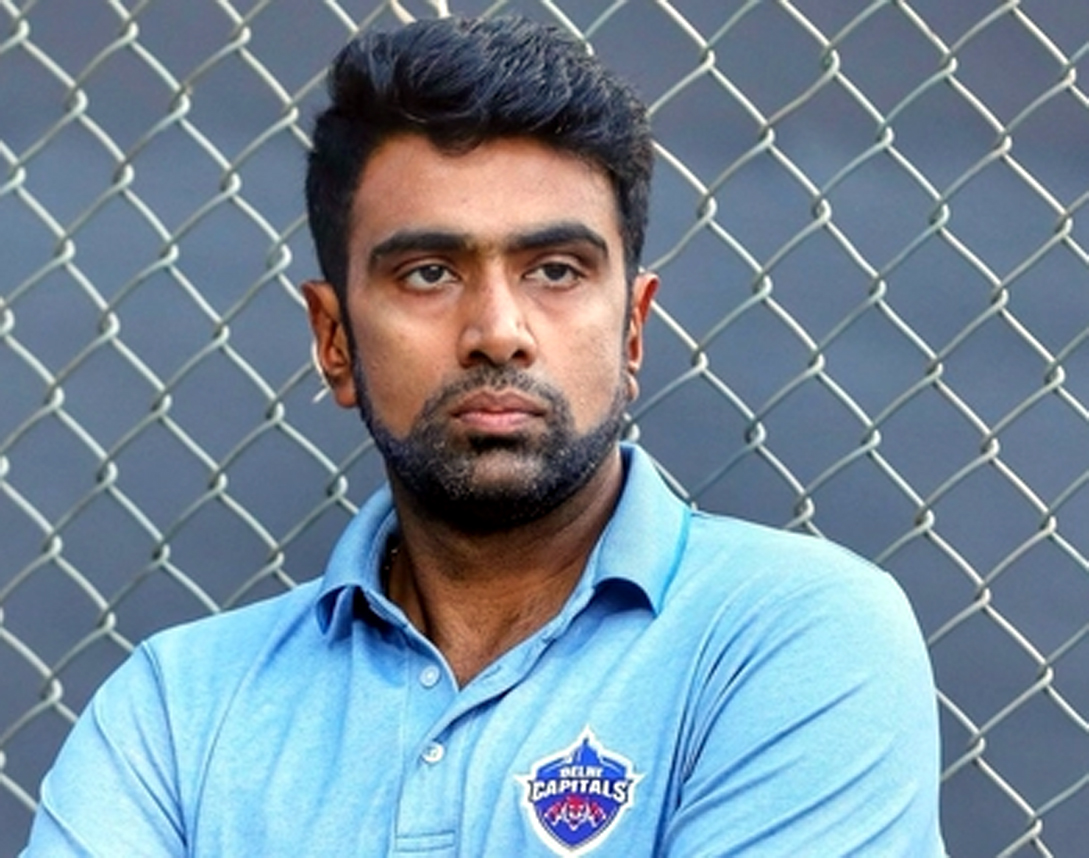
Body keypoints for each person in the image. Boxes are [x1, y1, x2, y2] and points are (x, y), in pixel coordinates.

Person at [23, 15, 944, 857]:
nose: (498, 331)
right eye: (428, 272)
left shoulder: (792, 634)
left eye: (556, 269)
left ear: (632, 331)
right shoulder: (177, 709)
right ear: (334, 340)